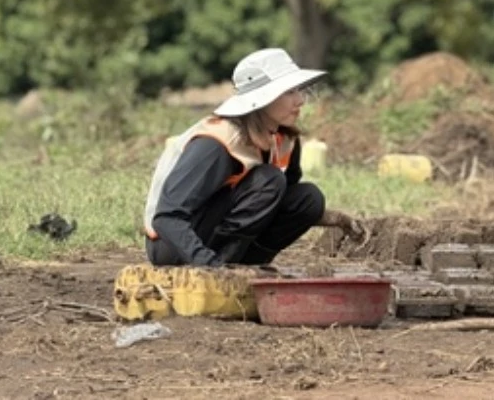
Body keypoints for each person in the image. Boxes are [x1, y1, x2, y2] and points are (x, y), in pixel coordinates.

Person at [142, 48, 365, 268]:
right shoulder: (215, 144)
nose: (300, 100)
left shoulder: (284, 139)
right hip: (173, 247)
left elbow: (276, 204)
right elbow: (167, 218)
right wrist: (209, 265)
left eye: (299, 90)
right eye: (289, 92)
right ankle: (222, 267)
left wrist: (335, 219)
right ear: (262, 99)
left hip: (214, 235)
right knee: (269, 179)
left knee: (308, 198)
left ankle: (248, 265)